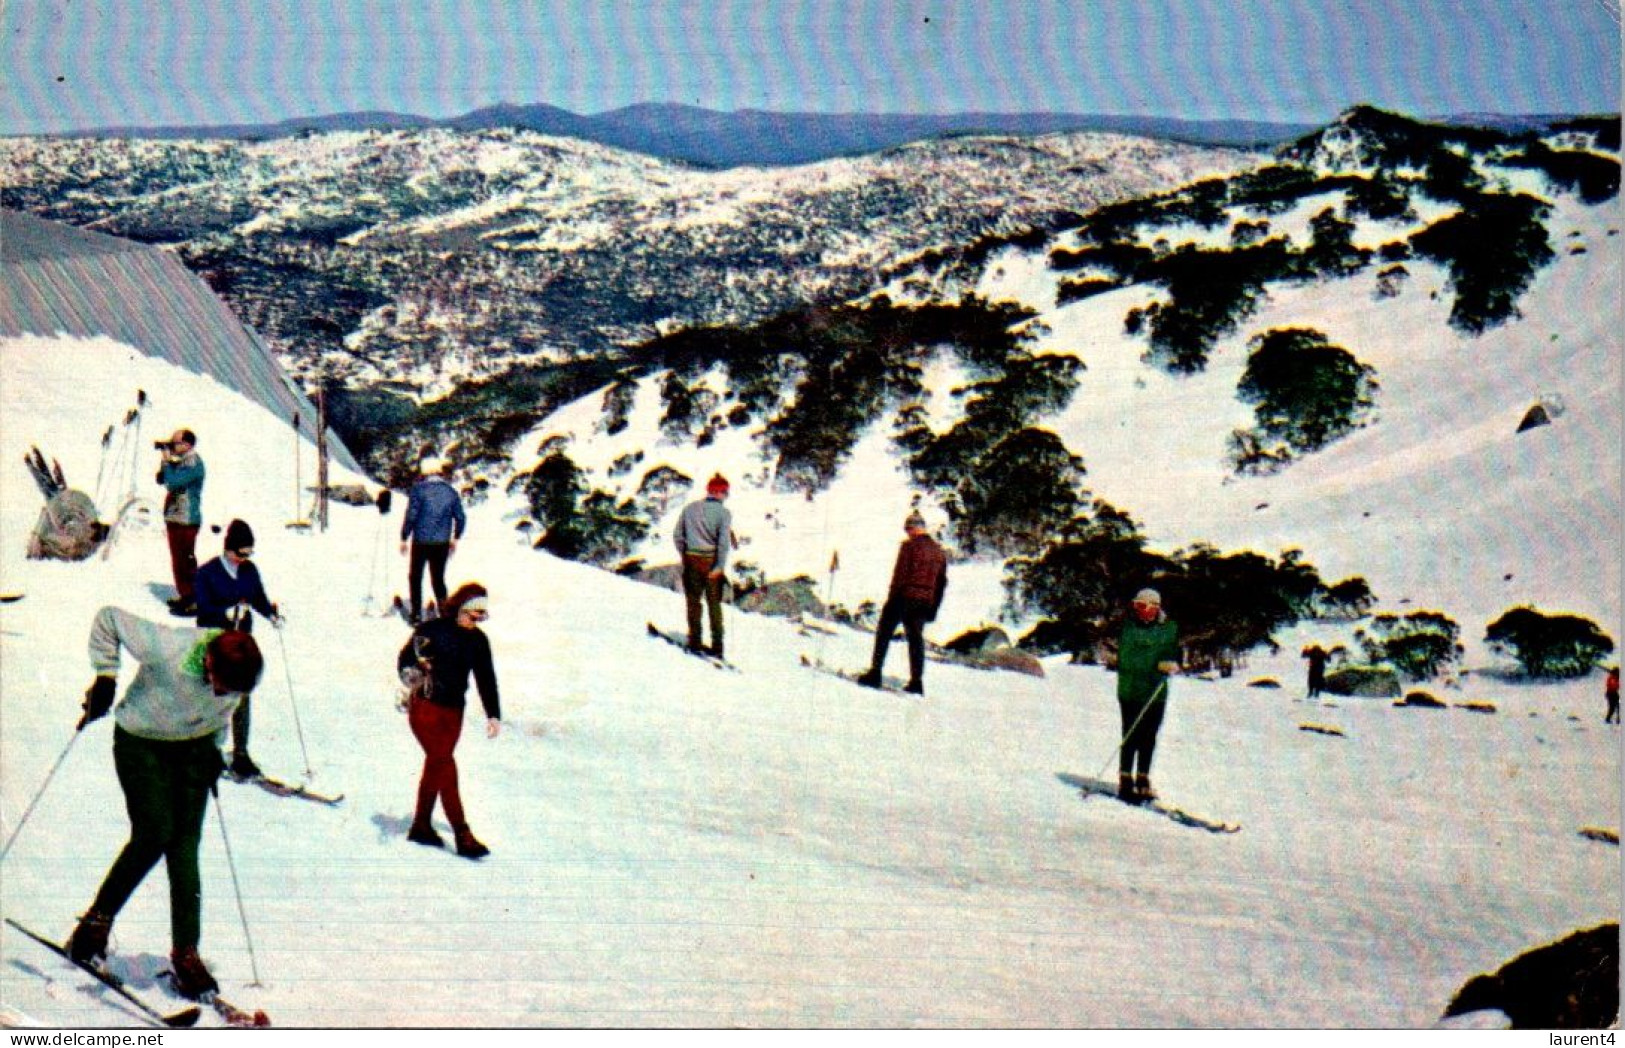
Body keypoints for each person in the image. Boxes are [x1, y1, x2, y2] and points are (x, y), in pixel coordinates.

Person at [66, 606, 264, 1000]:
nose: (223, 695)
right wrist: (106, 675)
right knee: (154, 832)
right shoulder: (169, 648)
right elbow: (107, 618)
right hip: (142, 742)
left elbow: (226, 709)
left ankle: (186, 953)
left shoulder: (239, 675)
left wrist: (219, 750)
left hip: (195, 750)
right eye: (220, 685)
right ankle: (93, 925)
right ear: (208, 661)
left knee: (185, 845)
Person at [397, 582, 501, 859]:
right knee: (444, 763)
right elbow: (405, 659)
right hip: (425, 708)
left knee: (437, 764)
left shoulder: (479, 641)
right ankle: (462, 833)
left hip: (454, 712)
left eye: (483, 614)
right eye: (474, 613)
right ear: (461, 608)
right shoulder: (433, 630)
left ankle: (421, 826)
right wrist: (414, 673)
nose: (478, 619)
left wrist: (493, 713)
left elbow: (486, 678)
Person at [194, 519, 282, 779]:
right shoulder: (207, 573)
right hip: (216, 645)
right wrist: (224, 612)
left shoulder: (249, 571)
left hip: (242, 646)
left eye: (248, 554)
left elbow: (258, 597)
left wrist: (270, 614)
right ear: (228, 549)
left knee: (243, 695)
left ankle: (241, 754)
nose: (243, 559)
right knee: (216, 697)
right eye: (240, 553)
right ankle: (209, 749)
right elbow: (203, 609)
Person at [857, 510, 948, 696]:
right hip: (925, 602)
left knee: (884, 632)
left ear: (914, 529)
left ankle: (875, 673)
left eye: (908, 529)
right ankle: (916, 682)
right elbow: (941, 583)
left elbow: (900, 575)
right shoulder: (939, 552)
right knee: (916, 640)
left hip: (904, 596)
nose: (907, 533)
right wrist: (933, 608)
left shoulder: (909, 547)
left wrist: (892, 599)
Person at [1115, 588, 1180, 804]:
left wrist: (1173, 662)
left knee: (1149, 734)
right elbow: (1127, 659)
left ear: (1155, 607)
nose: (1140, 611)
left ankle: (1143, 777)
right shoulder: (1128, 628)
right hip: (1131, 689)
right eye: (1137, 606)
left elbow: (1174, 650)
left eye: (1144, 606)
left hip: (1156, 691)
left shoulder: (1169, 628)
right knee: (1131, 733)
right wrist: (1156, 665)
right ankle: (1125, 778)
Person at [399, 456, 466, 625]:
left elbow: (412, 516)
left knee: (415, 576)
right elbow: (461, 518)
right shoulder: (451, 492)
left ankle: (416, 614)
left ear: (424, 472)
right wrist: (455, 538)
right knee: (438, 578)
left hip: (421, 541)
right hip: (442, 543)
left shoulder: (418, 490)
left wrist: (404, 536)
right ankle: (445, 612)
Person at [673, 474, 733, 657]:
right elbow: (723, 543)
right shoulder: (723, 513)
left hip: (691, 560)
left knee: (693, 603)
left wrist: (685, 555)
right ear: (719, 492)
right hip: (711, 561)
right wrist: (719, 566)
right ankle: (717, 647)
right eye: (726, 492)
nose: (727, 496)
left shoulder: (690, 509)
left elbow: (678, 536)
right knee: (714, 605)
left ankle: (695, 641)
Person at [157, 430, 205, 617]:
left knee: (185, 560)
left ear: (187, 444)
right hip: (176, 517)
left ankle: (194, 598)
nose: (172, 446)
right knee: (178, 560)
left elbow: (173, 482)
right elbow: (163, 479)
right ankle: (185, 594)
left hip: (186, 519)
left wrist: (168, 463)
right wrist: (166, 465)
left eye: (174, 443)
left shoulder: (193, 463)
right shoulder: (184, 462)